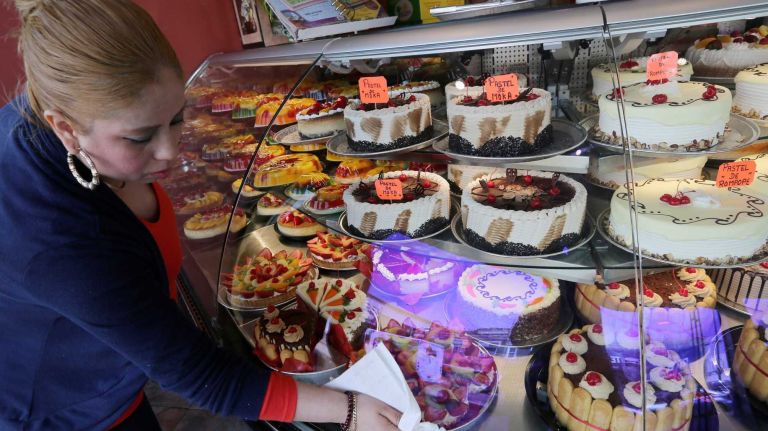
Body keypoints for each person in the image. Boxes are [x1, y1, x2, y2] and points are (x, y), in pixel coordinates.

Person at [0, 1, 402, 430]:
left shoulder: (73, 104)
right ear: (63, 127)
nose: (170, 151)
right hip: (66, 413)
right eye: (140, 138)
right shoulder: (58, 242)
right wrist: (351, 410)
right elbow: (202, 377)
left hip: (114, 373)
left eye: (176, 118)